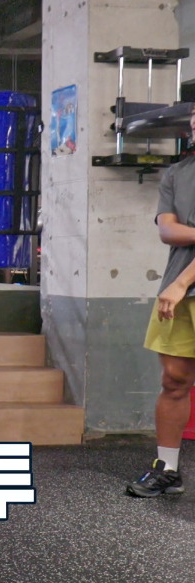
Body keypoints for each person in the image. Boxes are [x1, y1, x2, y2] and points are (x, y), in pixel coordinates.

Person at [126, 113, 195, 498]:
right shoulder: (177, 174)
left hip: (180, 286)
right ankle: (168, 470)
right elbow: (168, 230)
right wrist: (180, 283)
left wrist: (181, 282)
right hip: (180, 291)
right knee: (174, 380)